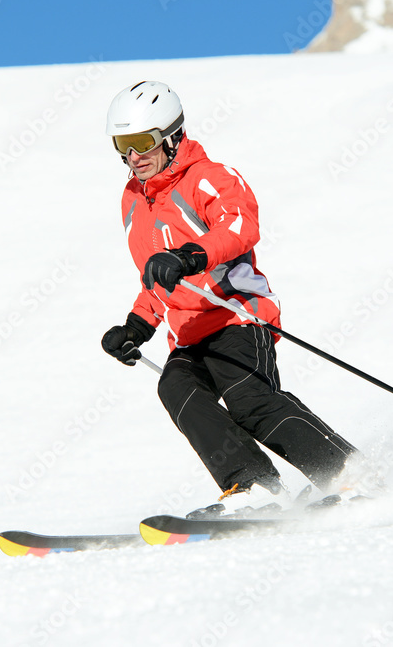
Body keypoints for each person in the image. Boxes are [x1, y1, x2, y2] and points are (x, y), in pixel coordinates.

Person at [100, 81, 361, 518]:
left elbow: (241, 226)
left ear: (171, 136)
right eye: (122, 145)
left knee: (249, 400)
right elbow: (155, 279)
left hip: (236, 316)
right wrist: (136, 326)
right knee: (177, 388)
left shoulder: (209, 178)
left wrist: (190, 256)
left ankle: (347, 472)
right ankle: (254, 483)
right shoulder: (133, 201)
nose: (133, 156)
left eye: (142, 142)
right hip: (188, 332)